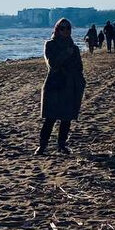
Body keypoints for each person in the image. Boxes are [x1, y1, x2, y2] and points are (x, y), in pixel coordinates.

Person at [36, 18, 86, 155]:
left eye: (68, 28)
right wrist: (66, 54)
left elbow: (79, 67)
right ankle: (42, 146)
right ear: (57, 29)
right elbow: (52, 64)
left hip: (70, 85)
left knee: (66, 118)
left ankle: (62, 145)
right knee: (50, 118)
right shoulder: (50, 44)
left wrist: (81, 82)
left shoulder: (74, 48)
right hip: (54, 84)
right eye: (62, 28)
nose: (65, 31)